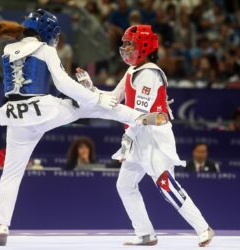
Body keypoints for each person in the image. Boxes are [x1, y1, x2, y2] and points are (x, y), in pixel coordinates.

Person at [0, 9, 166, 246]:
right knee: (96, 106)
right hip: (43, 110)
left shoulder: (7, 50)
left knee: (11, 173)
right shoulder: (45, 49)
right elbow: (64, 85)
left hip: (15, 117)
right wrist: (95, 98)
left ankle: (2, 225)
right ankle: (140, 117)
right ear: (46, 31)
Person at [78, 25, 214, 247]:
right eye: (124, 44)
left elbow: (139, 114)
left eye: (129, 44)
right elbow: (114, 98)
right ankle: (145, 234)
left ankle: (204, 228)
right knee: (125, 185)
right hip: (136, 134)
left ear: (144, 47)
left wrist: (108, 116)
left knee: (165, 184)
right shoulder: (132, 71)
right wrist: (90, 89)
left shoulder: (150, 73)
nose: (125, 48)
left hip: (153, 135)